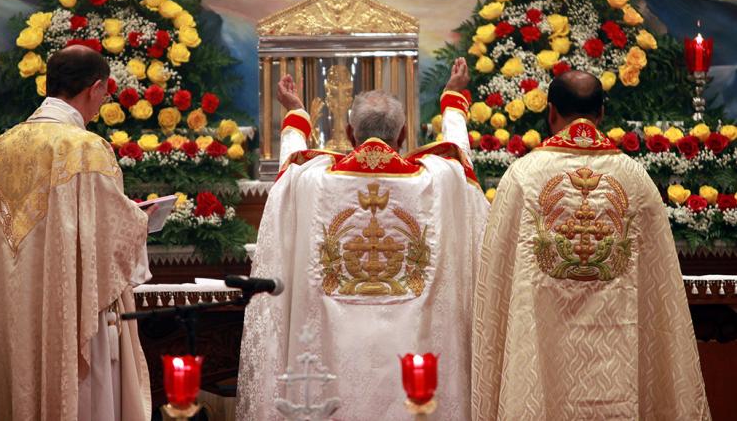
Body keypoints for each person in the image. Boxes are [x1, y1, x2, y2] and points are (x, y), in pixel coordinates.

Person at [236, 58, 489, 420]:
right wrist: (453, 100)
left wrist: (295, 115)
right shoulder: (437, 179)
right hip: (412, 351)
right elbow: (460, 159)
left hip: (333, 352)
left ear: (349, 132)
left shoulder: (313, 180)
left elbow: (289, 169)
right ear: (403, 134)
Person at [471, 71, 710, 420]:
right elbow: (661, 296)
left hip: (539, 366)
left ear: (551, 112)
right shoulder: (635, 179)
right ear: (601, 113)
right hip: (619, 369)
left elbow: (495, 286)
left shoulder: (522, 178)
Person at [0, 45, 152, 421]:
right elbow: (112, 235)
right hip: (70, 307)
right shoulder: (85, 149)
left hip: (10, 314)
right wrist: (143, 219)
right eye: (104, 93)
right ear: (96, 88)